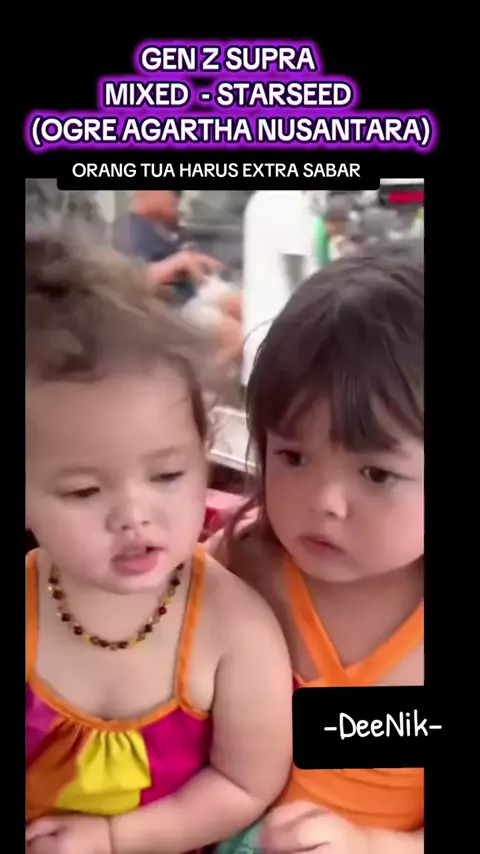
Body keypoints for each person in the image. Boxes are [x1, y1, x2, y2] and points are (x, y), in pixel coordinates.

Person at [25, 229, 293, 854]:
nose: (134, 517)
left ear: (204, 456)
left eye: (168, 475)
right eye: (84, 491)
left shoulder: (235, 629)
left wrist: (114, 838)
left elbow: (244, 784)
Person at [209, 244, 424, 852]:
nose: (325, 502)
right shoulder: (240, 565)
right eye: (293, 456)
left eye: (376, 473)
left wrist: (371, 846)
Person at [125, 191, 244, 363]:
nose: (178, 198)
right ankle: (206, 378)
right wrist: (178, 262)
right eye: (174, 192)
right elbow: (134, 283)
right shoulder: (128, 234)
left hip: (193, 292)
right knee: (235, 336)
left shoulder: (165, 223)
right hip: (169, 308)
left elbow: (186, 254)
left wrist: (196, 259)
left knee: (250, 310)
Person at [241, 190, 317, 391]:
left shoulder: (261, 199)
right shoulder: (288, 199)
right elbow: (296, 272)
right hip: (286, 332)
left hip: (261, 330)